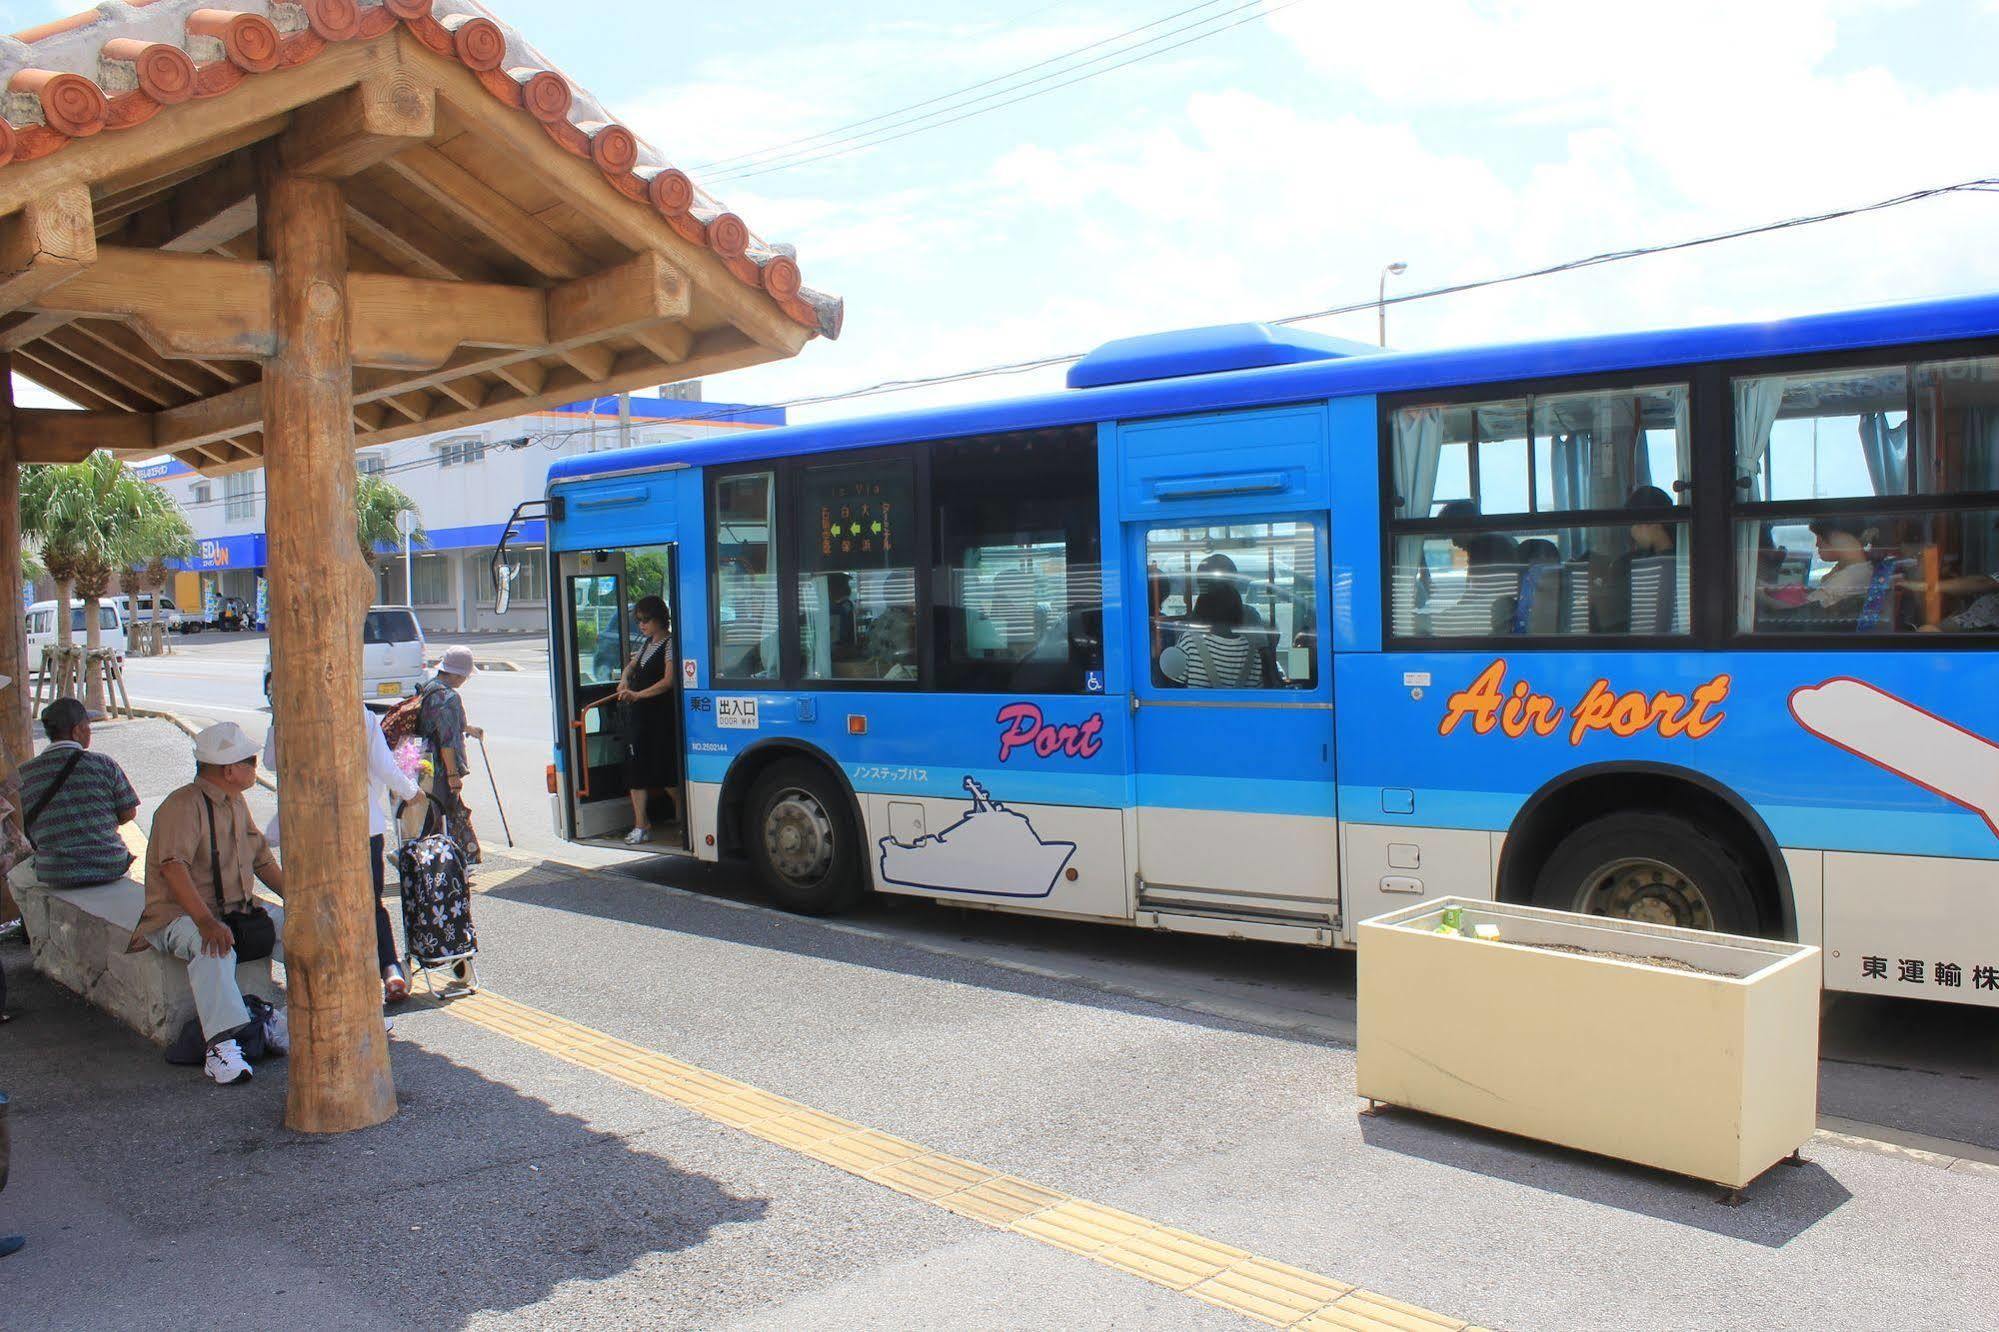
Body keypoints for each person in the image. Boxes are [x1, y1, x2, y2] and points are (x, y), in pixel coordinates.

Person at [131, 723, 287, 1086]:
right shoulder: (181, 805)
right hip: (178, 916)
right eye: (250, 761)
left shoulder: (235, 801)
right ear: (229, 770)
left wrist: (298, 902)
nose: (255, 768)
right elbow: (172, 868)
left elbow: (262, 859)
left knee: (302, 929)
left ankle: (321, 1017)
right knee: (212, 947)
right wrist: (205, 921)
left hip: (234, 909)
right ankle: (221, 1046)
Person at [264, 710, 424, 1002]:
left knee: (324, 903)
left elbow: (271, 761)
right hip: (363, 825)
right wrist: (411, 792)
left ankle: (336, 978)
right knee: (370, 903)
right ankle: (390, 970)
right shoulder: (361, 715)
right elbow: (384, 767)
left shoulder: (292, 709)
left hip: (312, 829)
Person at [16, 697, 139, 889]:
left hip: (55, 870)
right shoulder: (104, 764)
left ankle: (29, 920)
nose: (90, 730)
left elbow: (22, 826)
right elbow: (129, 813)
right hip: (110, 864)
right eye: (87, 726)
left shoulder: (24, 773)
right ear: (76, 731)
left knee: (16, 880)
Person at [616, 596, 676, 845]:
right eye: (638, 620)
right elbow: (631, 666)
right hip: (640, 719)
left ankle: (682, 818)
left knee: (667, 773)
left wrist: (638, 694)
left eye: (646, 620)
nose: (641, 625)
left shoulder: (670, 644)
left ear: (660, 619)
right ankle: (641, 823)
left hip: (660, 718)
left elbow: (668, 681)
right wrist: (623, 680)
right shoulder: (646, 645)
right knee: (637, 772)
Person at [418, 646, 483, 866]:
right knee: (444, 815)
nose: (465, 680)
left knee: (434, 812)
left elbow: (438, 726)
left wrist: (469, 729)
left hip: (424, 760)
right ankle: (435, 862)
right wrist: (453, 775)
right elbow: (446, 741)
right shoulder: (449, 698)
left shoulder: (429, 689)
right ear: (456, 674)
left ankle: (429, 857)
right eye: (465, 676)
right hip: (441, 767)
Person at [1159, 585, 1261, 688]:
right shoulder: (1252, 651)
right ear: (1238, 612)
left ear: (1201, 610)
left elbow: (1173, 685)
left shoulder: (1190, 642)